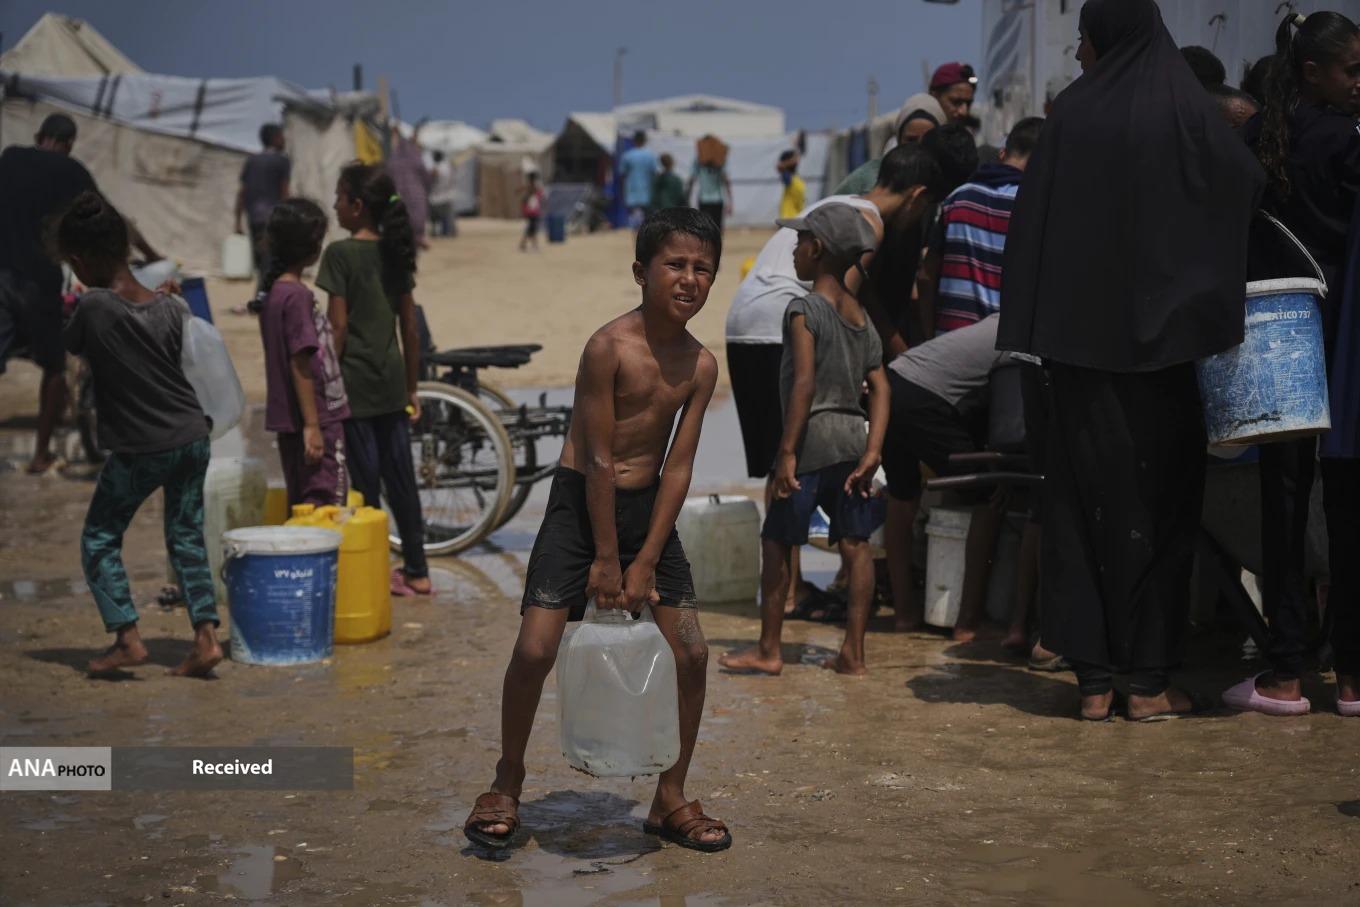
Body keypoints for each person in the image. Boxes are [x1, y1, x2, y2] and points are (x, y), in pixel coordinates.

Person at [997, 0, 1264, 721]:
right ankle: (1145, 685)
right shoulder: (1184, 109)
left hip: (1076, 355)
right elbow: (1244, 183)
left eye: (1084, 38)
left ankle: (1092, 684)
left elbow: (1032, 224)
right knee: (1158, 508)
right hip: (1163, 357)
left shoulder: (1073, 114)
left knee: (1079, 508)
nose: (1079, 52)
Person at [462, 208, 726, 853]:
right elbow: (600, 458)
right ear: (641, 272)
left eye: (703, 269)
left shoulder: (700, 365)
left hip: (648, 515)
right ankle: (507, 780)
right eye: (674, 264)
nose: (689, 279)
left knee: (692, 653)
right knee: (535, 650)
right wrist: (607, 559)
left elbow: (678, 467)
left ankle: (669, 796)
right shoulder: (608, 347)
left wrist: (646, 558)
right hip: (580, 507)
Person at [725, 144, 943, 620]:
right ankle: (800, 599)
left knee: (781, 471)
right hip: (779, 326)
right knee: (805, 479)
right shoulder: (867, 228)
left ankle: (788, 594)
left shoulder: (838, 207)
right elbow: (845, 311)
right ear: (918, 197)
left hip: (747, 319)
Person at [1223, 11, 1360, 718]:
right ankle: (1353, 678)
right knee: (1349, 503)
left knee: (1282, 502)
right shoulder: (1349, 139)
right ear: (1313, 72)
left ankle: (1284, 675)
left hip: (1276, 339)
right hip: (1345, 340)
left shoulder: (1255, 137)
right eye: (1353, 71)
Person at [719, 204, 891, 677]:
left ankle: (769, 650)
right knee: (856, 543)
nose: (793, 250)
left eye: (798, 242)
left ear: (816, 249)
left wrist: (787, 452)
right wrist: (873, 450)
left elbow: (803, 383)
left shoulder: (803, 309)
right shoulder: (860, 317)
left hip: (812, 439)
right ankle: (853, 654)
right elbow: (881, 388)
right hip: (852, 441)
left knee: (777, 541)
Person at [56, 191, 222, 678]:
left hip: (142, 448)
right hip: (192, 435)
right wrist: (166, 297)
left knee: (99, 538)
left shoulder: (94, 307)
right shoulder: (170, 307)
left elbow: (71, 342)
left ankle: (127, 639)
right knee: (186, 536)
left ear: (79, 262)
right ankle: (206, 639)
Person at [320, 163, 430, 596]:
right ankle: (418, 570)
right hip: (391, 382)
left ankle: (375, 570)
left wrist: (324, 383)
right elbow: (411, 328)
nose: (334, 206)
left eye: (339, 198)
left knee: (365, 485)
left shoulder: (340, 254)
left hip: (356, 384)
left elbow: (338, 328)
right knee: (402, 479)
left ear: (357, 206)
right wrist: (412, 387)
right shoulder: (395, 249)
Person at [880, 315, 1012, 641]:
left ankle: (904, 615)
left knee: (902, 498)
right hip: (923, 398)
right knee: (991, 497)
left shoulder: (999, 322)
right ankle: (967, 623)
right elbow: (1010, 419)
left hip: (892, 382)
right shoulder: (1023, 338)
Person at [0, 113, 96, 474]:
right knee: (55, 367)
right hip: (38, 282)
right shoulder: (71, 171)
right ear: (69, 144)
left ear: (39, 135)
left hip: (0, 274)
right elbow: (102, 216)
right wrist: (150, 254)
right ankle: (40, 456)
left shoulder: (10, 157)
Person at [253, 199, 351, 507]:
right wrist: (313, 425)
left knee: (303, 505)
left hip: (291, 421)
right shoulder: (297, 297)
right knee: (326, 505)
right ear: (313, 248)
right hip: (317, 417)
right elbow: (300, 362)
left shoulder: (275, 295)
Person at [919, 117, 1044, 335]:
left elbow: (925, 276)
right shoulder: (1038, 207)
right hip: (1010, 344)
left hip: (952, 342)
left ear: (1002, 154)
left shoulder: (958, 198)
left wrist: (930, 337)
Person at [833, 94, 945, 196]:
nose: (919, 147)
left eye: (927, 140)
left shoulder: (947, 179)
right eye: (911, 140)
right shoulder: (868, 179)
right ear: (899, 139)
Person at [235, 123, 291, 289]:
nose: (284, 140)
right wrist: (289, 216)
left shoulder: (252, 160)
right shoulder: (282, 160)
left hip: (254, 217)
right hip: (273, 217)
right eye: (281, 137)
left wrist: (237, 220)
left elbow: (242, 192)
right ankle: (264, 296)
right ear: (275, 139)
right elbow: (284, 191)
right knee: (271, 261)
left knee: (261, 261)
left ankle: (263, 293)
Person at [386, 124, 431, 251]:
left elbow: (387, 178)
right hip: (417, 195)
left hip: (397, 196)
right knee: (417, 220)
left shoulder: (392, 160)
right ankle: (417, 239)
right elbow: (426, 178)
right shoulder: (416, 159)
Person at [620, 131, 658, 229]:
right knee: (647, 220)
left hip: (631, 192)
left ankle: (635, 237)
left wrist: (623, 191)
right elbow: (655, 174)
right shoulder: (650, 155)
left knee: (634, 220)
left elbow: (622, 175)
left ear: (634, 141)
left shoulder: (627, 155)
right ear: (645, 141)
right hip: (647, 192)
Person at [686, 152, 732, 232]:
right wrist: (730, 200)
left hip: (704, 199)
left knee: (705, 229)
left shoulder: (699, 159)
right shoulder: (720, 158)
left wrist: (687, 197)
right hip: (717, 199)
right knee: (717, 229)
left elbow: (692, 179)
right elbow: (726, 180)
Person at [428, 150, 458, 238]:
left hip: (435, 198)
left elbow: (431, 181)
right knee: (448, 218)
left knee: (435, 218)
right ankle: (449, 231)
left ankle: (436, 231)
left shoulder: (435, 169)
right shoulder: (449, 167)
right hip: (448, 196)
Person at [520, 172, 546, 252]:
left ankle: (525, 244)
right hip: (531, 212)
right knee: (532, 230)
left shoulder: (531, 188)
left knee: (531, 229)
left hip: (533, 212)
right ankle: (532, 245)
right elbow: (525, 199)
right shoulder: (531, 188)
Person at [777, 149, 806, 219]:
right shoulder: (788, 177)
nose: (797, 160)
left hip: (798, 216)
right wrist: (784, 164)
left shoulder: (796, 178)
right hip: (789, 217)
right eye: (794, 158)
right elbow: (780, 167)